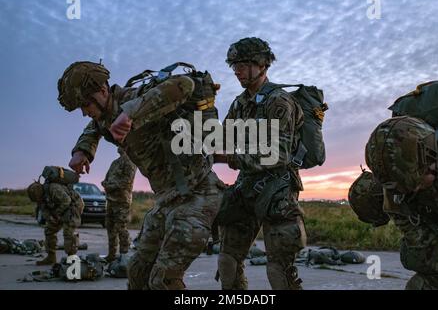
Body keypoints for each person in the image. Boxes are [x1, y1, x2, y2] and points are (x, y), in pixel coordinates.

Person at [58, 61, 223, 289]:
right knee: (137, 273)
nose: (85, 112)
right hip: (166, 199)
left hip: (198, 193)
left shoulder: (136, 97)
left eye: (85, 104)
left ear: (103, 91)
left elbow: (184, 84)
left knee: (163, 280)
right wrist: (82, 150)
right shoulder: (103, 115)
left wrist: (130, 113)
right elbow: (94, 127)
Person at [215, 37, 307, 290]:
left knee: (278, 270)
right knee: (227, 261)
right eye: (234, 65)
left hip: (278, 191)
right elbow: (220, 137)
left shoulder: (279, 102)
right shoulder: (240, 103)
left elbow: (277, 155)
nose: (237, 71)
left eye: (243, 64)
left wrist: (228, 158)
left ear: (262, 65)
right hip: (246, 188)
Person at [364, 116, 438, 289]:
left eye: (417, 183)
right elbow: (417, 239)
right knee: (415, 266)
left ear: (431, 159)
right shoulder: (395, 183)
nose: (414, 191)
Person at [27, 166, 84, 265]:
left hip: (73, 207)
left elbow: (67, 201)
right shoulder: (41, 196)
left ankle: (72, 260)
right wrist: (51, 218)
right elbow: (44, 209)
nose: (39, 201)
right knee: (49, 230)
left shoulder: (53, 188)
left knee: (68, 233)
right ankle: (51, 257)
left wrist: (56, 214)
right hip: (60, 209)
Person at [102, 148, 137, 262]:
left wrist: (109, 185)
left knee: (121, 227)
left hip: (122, 201)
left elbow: (127, 181)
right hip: (111, 200)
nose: (118, 146)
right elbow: (107, 178)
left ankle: (124, 256)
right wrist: (105, 183)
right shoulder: (115, 162)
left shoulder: (129, 161)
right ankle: (111, 255)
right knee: (110, 227)